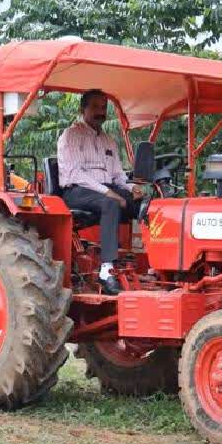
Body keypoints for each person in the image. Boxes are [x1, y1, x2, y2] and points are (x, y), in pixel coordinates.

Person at [57, 89, 144, 294]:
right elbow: (75, 173)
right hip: (76, 191)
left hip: (105, 189)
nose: (100, 112)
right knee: (111, 203)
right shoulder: (71, 135)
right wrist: (107, 192)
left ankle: (154, 264)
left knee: (145, 205)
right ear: (83, 109)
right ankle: (107, 271)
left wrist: (132, 188)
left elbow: (117, 175)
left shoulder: (108, 140)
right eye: (95, 107)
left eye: (103, 108)